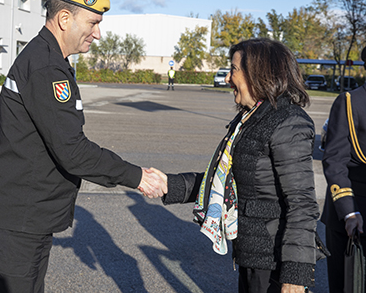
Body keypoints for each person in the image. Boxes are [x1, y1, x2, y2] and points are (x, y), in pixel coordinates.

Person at [0, 0, 166, 293]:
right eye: (93, 22)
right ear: (64, 19)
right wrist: (136, 177)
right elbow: (72, 150)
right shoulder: (46, 68)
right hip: (19, 222)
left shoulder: (48, 60)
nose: (98, 33)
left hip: (26, 219)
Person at [150, 38, 321, 292]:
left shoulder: (288, 123)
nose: (228, 77)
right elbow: (225, 180)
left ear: (259, 73)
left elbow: (302, 205)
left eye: (234, 69)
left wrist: (295, 276)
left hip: (275, 262)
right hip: (251, 253)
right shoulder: (249, 118)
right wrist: (169, 184)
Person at [321, 46, 366, 292]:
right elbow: (335, 161)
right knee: (347, 285)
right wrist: (349, 212)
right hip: (353, 212)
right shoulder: (350, 102)